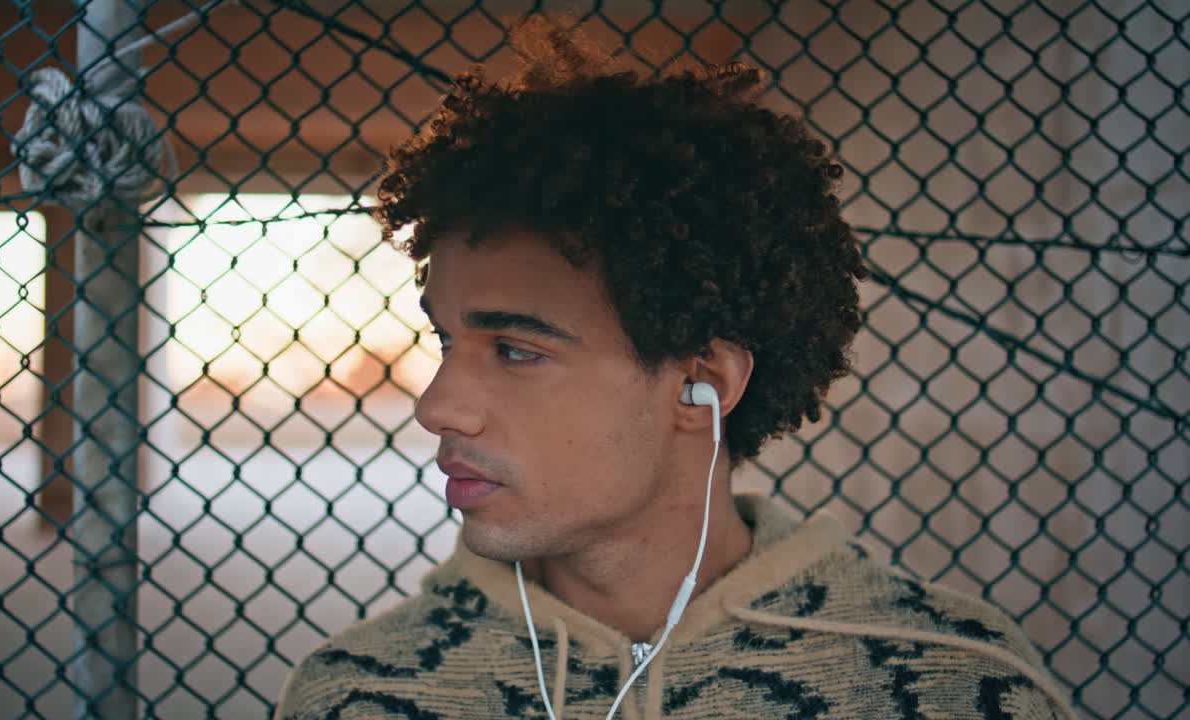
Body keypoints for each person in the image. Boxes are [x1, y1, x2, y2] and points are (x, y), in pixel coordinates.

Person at [275, 19, 1074, 720]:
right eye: (447, 342)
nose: (437, 406)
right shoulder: (362, 693)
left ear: (706, 384)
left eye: (517, 350)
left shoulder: (952, 684)